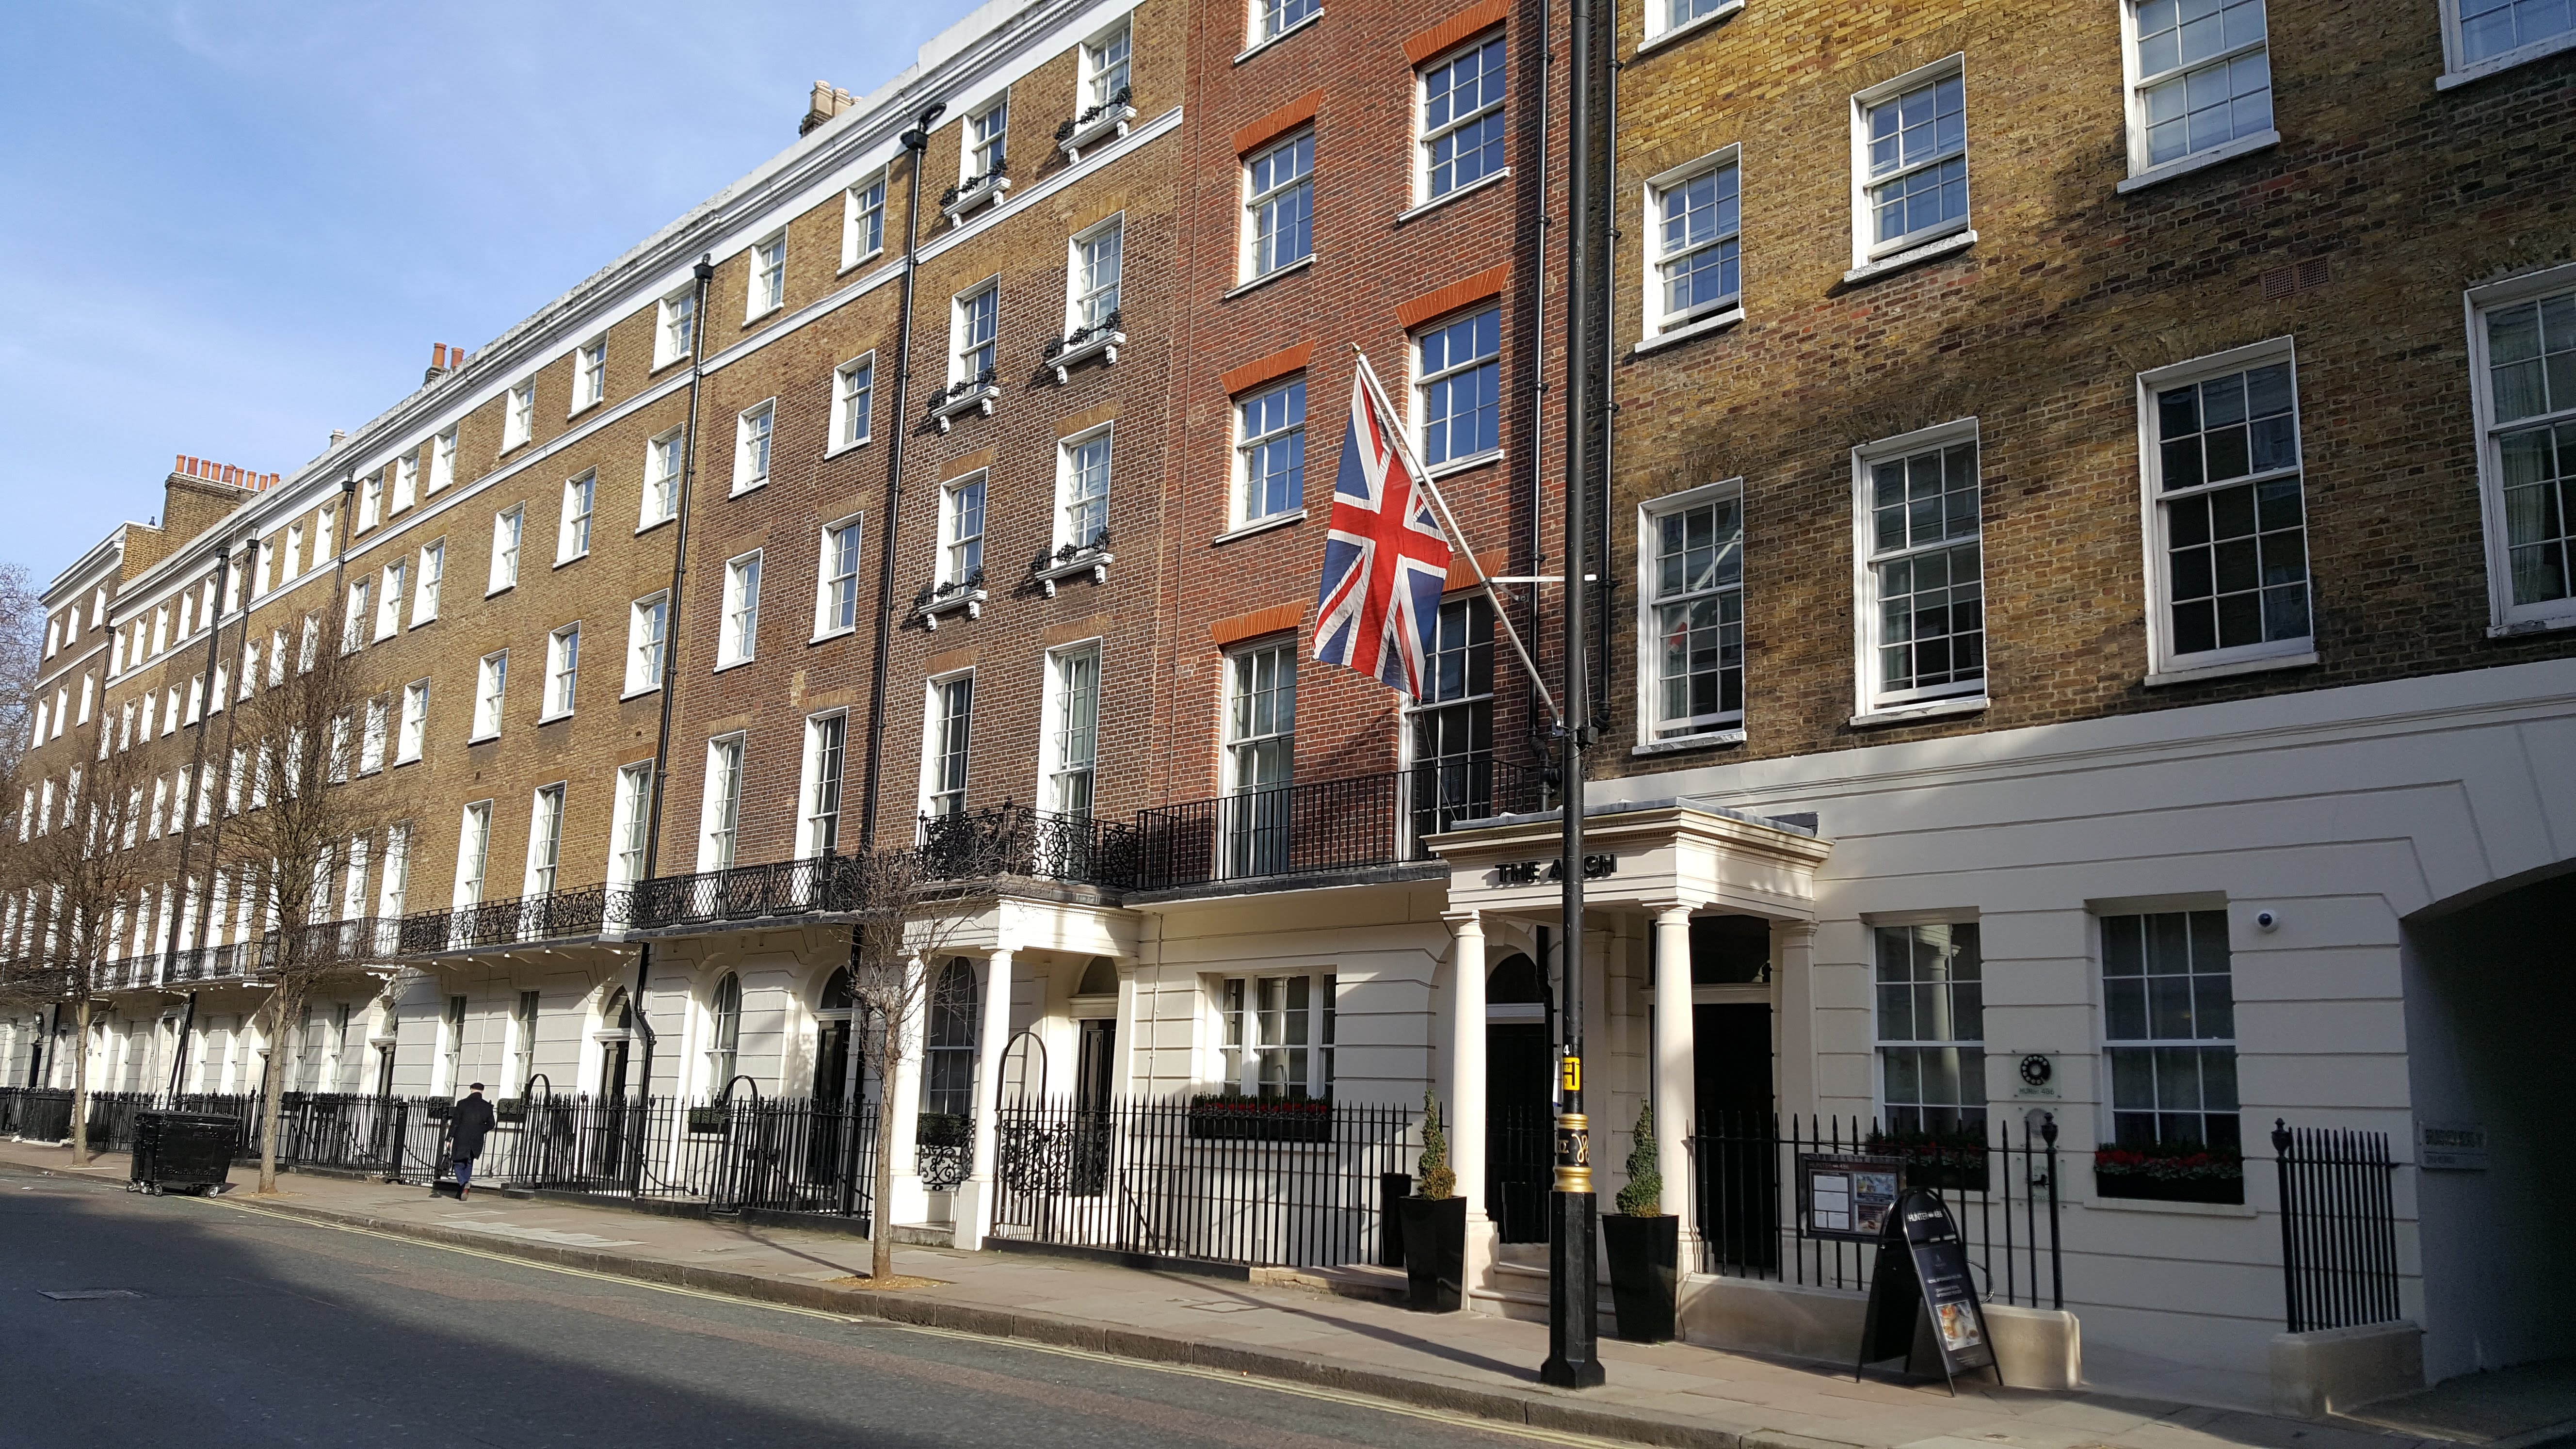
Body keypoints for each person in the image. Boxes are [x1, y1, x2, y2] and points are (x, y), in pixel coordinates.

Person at [447, 1082, 497, 1199]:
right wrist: (480, 1130)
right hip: (476, 1140)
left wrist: (449, 1139)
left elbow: (455, 1123)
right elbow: (491, 1124)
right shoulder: (487, 1107)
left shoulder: (462, 1104)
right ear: (483, 1091)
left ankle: (464, 1184)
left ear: (471, 1090)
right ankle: (464, 1189)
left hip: (461, 1138)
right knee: (469, 1163)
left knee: (458, 1164)